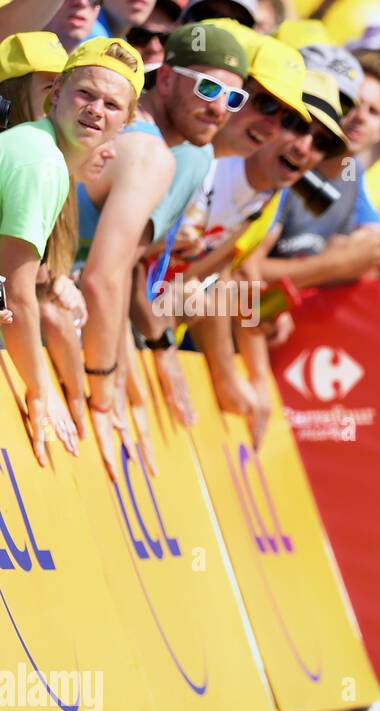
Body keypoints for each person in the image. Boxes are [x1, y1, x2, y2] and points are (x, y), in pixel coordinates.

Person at [77, 23, 247, 477]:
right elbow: (102, 279)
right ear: (167, 79)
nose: (219, 107)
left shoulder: (179, 148)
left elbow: (122, 267)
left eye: (235, 98)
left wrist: (140, 363)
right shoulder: (156, 154)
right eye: (209, 87)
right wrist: (103, 386)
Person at [0, 36, 143, 467]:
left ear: (126, 122)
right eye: (85, 93)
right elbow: (16, 293)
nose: (96, 110)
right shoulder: (41, 163)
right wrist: (39, 387)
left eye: (112, 105)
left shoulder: (44, 154)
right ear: (57, 94)